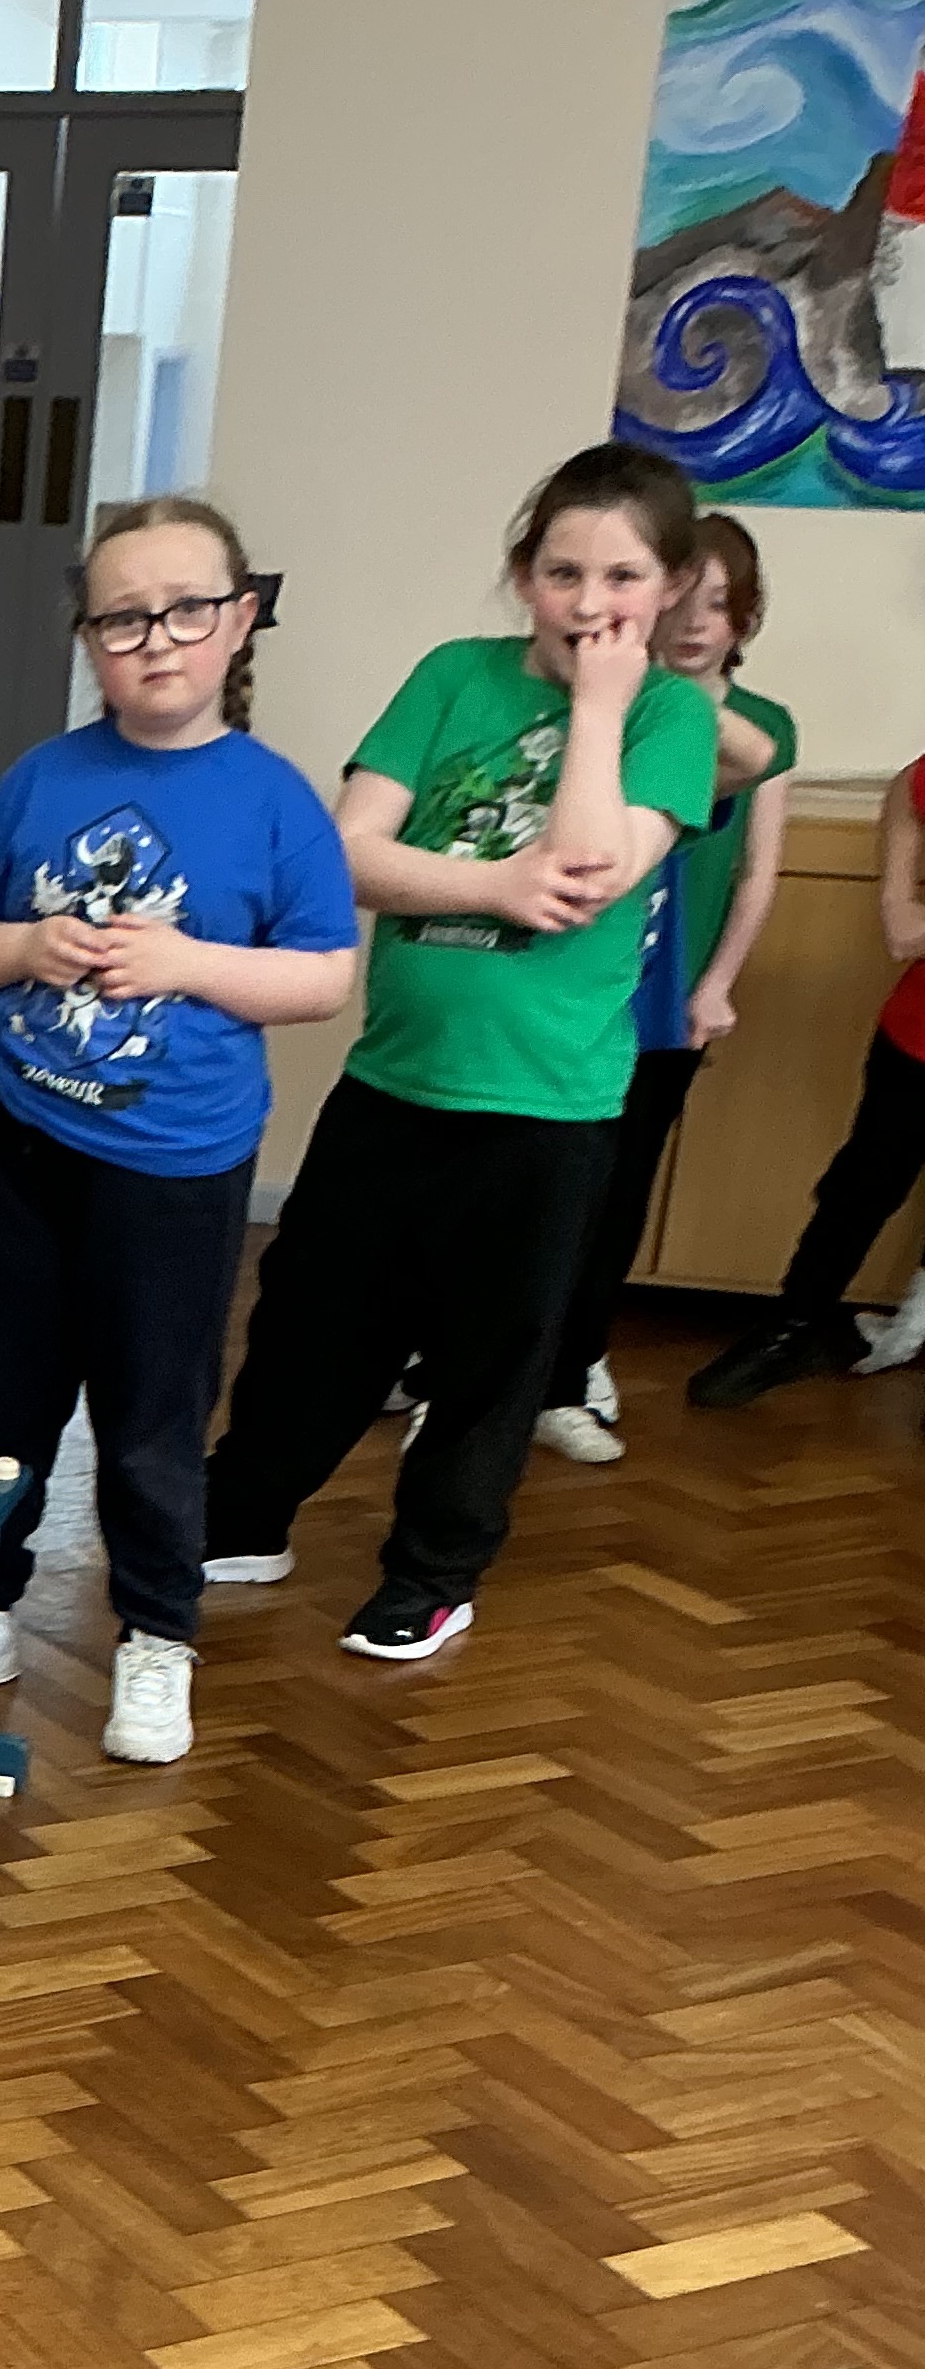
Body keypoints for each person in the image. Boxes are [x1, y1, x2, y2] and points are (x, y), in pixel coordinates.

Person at [200, 442, 719, 1661]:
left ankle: (433, 1572)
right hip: (395, 1080)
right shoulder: (452, 674)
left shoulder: (671, 716)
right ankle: (243, 1517)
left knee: (491, 1360)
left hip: (548, 1109)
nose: (590, 605)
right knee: (314, 1321)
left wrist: (598, 711)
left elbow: (589, 875)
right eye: (563, 573)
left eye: (623, 578)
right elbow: (347, 852)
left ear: (672, 586)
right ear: (523, 574)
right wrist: (494, 883)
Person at [0, 497, 358, 1763]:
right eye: (123, 619)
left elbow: (324, 976)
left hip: (175, 1168)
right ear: (90, 638)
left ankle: (158, 1635)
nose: (156, 639)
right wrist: (23, 947)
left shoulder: (274, 800)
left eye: (185, 611)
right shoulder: (42, 777)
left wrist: (188, 964)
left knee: (153, 1414)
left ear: (240, 620)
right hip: (21, 1139)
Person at [539, 513, 796, 1455]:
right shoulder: (601, 704)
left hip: (667, 994)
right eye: (683, 600)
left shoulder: (748, 728)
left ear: (745, 618)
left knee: (616, 1185)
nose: (695, 623)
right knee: (531, 1181)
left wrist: (714, 985)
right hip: (570, 980)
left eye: (719, 605)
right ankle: (467, 1359)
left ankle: (574, 1363)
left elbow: (757, 868)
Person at [687, 756, 925, 1407]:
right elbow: (903, 931)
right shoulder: (918, 783)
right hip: (916, 1038)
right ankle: (789, 1331)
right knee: (860, 1187)